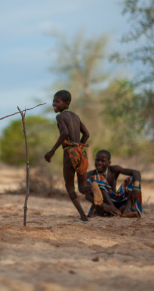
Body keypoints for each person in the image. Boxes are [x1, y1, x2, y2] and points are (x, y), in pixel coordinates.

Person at [44, 90, 101, 221]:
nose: (54, 104)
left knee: (69, 186)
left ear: (66, 104)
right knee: (82, 188)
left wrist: (52, 151)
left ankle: (82, 216)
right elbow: (86, 134)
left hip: (69, 153)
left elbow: (63, 133)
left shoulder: (60, 117)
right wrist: (79, 146)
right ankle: (93, 186)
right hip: (81, 152)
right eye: (53, 101)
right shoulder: (76, 116)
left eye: (57, 101)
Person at [85, 150, 142, 218]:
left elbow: (136, 172)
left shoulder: (113, 170)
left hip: (115, 201)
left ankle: (127, 210)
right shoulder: (89, 175)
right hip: (101, 205)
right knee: (98, 178)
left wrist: (135, 188)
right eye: (97, 160)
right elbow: (87, 196)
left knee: (133, 180)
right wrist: (106, 206)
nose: (99, 163)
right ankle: (113, 209)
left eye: (102, 161)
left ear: (109, 163)